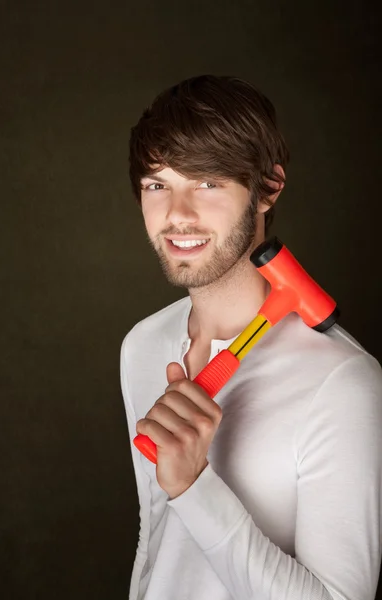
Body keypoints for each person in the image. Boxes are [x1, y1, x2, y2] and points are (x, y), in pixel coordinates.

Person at [120, 74, 382, 600]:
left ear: (267, 189)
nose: (177, 215)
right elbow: (156, 535)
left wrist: (194, 487)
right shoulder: (143, 345)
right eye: (157, 184)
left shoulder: (342, 382)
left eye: (208, 182)